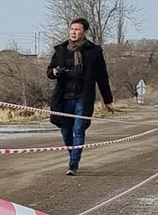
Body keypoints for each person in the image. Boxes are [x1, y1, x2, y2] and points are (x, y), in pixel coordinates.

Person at [46, 18, 113, 175]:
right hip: (64, 97)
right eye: (71, 29)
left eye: (77, 29)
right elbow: (49, 71)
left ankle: (73, 164)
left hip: (83, 96)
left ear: (84, 32)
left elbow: (102, 77)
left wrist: (107, 100)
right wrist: (54, 72)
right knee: (66, 131)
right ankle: (73, 156)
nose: (73, 32)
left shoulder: (94, 52)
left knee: (79, 128)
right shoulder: (61, 50)